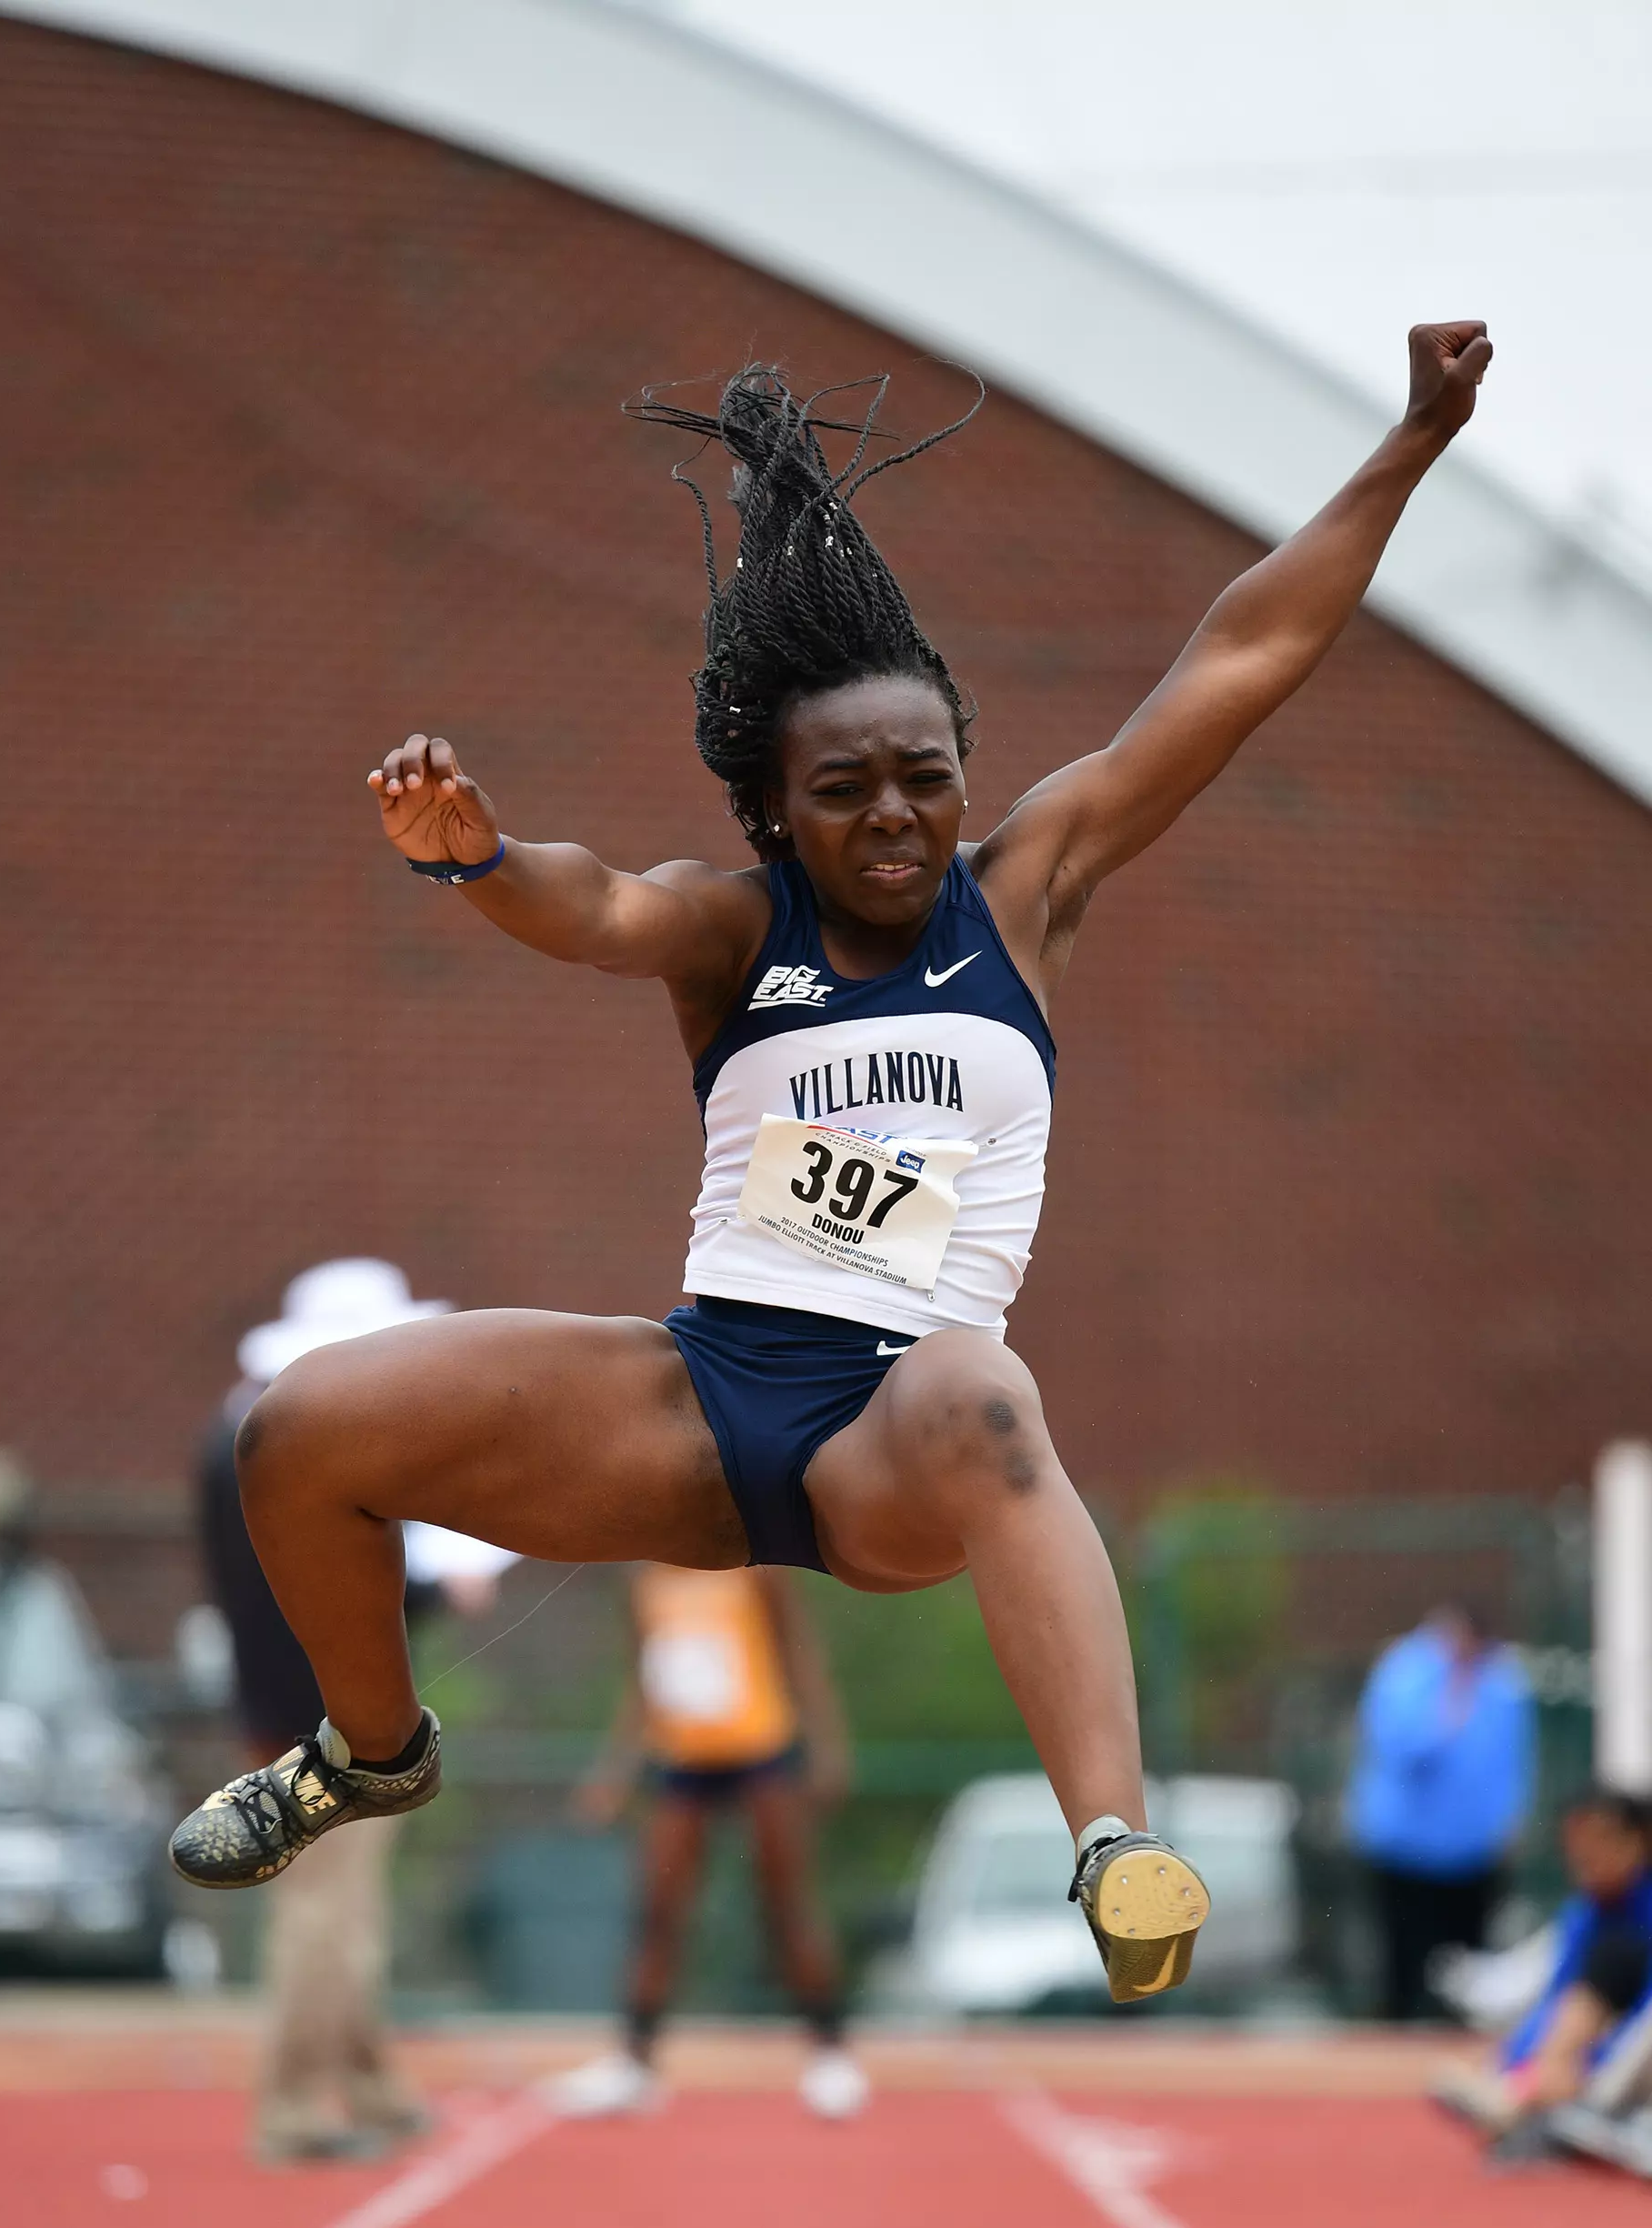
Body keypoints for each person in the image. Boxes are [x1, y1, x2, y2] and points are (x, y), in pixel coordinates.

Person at [168, 323, 1493, 2013]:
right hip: (703, 1397)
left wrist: (1413, 440)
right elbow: (592, 905)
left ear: (965, 778)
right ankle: (369, 1754)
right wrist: (478, 860)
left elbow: (1244, 651)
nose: (892, 817)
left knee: (982, 1384)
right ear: (774, 808)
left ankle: (1117, 1847)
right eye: (844, 788)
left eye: (924, 779)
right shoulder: (738, 933)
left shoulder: (1026, 895)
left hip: (898, 1445)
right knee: (302, 1429)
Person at [200, 1260, 516, 2164]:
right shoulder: (298, 1447)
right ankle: (294, 2104)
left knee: (347, 1915)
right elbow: (342, 1589)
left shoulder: (231, 1436)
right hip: (328, 1722)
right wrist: (439, 1588)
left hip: (284, 1706)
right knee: (325, 1918)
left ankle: (370, 2081)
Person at [552, 1562, 865, 2120]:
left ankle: (830, 2055)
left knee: (787, 1902)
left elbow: (800, 1655)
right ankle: (635, 2063)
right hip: (682, 1759)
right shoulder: (642, 1581)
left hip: (761, 1752)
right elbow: (641, 1683)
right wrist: (615, 1771)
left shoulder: (756, 1570)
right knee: (659, 1909)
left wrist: (828, 1745)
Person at [1347, 1599, 1537, 2022]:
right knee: (1403, 1957)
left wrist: (1509, 1820)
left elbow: (1514, 1760)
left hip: (1472, 1849)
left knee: (1468, 1962)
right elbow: (1403, 1750)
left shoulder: (1503, 1682)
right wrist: (1451, 1705)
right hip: (1405, 1847)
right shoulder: (1404, 1673)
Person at [1436, 1792, 1652, 2157]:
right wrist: (1515, 2064)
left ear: (1639, 1841)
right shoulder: (1586, 1916)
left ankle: (1555, 2104)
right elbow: (1562, 2000)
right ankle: (1528, 2096)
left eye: (1601, 1842)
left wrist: (1592, 2070)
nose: (1586, 1858)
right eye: (1577, 1848)